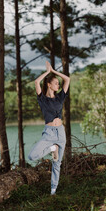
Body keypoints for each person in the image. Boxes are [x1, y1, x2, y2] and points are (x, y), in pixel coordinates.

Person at [28, 61, 70, 195]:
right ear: (49, 84)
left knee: (57, 163)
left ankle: (53, 191)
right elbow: (36, 82)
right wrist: (47, 72)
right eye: (55, 82)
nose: (58, 84)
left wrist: (54, 71)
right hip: (49, 133)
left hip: (60, 132)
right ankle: (52, 148)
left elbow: (67, 79)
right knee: (32, 156)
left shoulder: (60, 98)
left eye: (58, 82)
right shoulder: (42, 99)